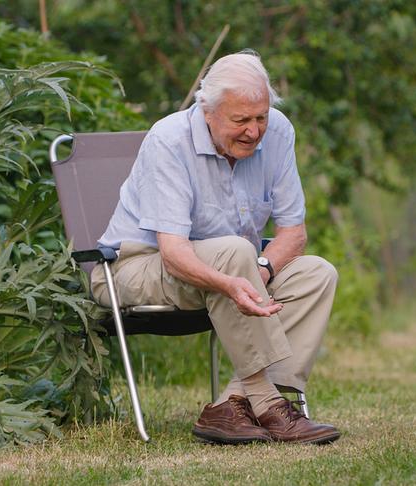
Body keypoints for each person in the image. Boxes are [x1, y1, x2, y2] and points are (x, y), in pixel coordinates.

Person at [91, 50, 340, 445]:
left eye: (260, 117)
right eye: (240, 120)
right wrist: (234, 277)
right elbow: (173, 253)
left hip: (230, 264)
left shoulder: (278, 132)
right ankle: (269, 406)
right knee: (233, 252)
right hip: (130, 269)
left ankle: (228, 407)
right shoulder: (168, 140)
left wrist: (256, 273)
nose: (254, 131)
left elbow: (293, 233)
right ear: (207, 111)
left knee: (317, 273)